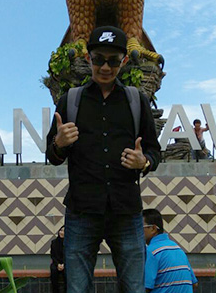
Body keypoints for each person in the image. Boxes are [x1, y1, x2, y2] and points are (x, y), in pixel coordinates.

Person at [46, 25, 161, 293]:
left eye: (113, 60)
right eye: (99, 59)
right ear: (88, 58)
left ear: (123, 60)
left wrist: (143, 162)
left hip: (126, 209)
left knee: (134, 287)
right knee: (77, 288)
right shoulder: (70, 101)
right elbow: (51, 156)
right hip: (82, 210)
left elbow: (155, 152)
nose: (105, 67)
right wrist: (59, 143)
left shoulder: (137, 101)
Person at [143, 208, 198, 292]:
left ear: (153, 229)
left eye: (140, 227)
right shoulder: (177, 249)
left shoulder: (151, 252)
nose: (136, 231)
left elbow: (145, 288)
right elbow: (194, 284)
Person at [50, 226, 66, 293]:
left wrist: (64, 264)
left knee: (67, 273)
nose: (61, 232)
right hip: (56, 263)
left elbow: (69, 256)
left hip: (66, 263)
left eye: (64, 231)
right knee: (53, 271)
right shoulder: (54, 242)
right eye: (61, 230)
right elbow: (53, 255)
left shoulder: (69, 244)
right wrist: (58, 264)